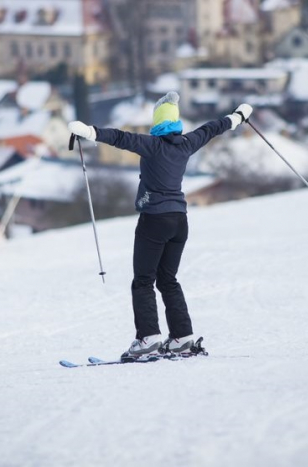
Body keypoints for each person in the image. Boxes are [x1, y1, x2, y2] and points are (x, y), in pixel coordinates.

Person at [68, 92, 253, 357]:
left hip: (154, 220)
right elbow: (211, 128)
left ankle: (148, 339)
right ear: (176, 122)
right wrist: (237, 117)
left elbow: (122, 138)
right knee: (168, 279)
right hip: (179, 221)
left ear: (157, 122)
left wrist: (89, 131)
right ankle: (182, 337)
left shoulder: (153, 145)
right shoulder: (187, 142)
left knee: (143, 280)